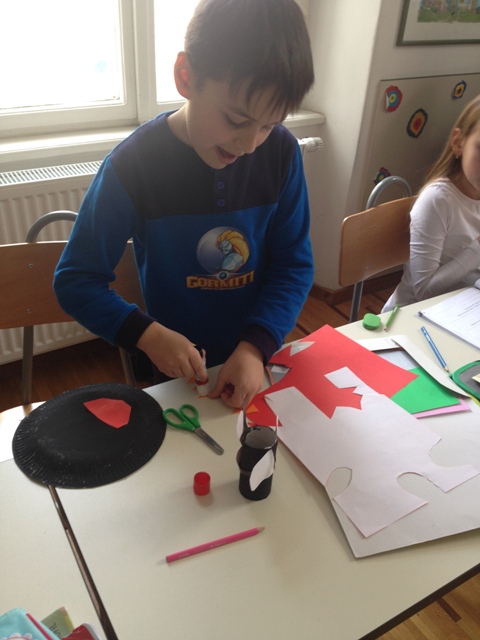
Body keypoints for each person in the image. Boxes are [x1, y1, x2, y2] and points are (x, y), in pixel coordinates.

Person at [54, 0, 315, 409]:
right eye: (236, 120)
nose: (250, 145)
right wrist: (147, 335)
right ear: (186, 77)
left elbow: (293, 266)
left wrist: (254, 347)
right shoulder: (133, 164)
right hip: (179, 376)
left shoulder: (281, 152)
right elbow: (75, 281)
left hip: (259, 357)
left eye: (269, 124)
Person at [383, 94, 480, 313]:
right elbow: (424, 291)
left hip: (463, 311)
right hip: (411, 317)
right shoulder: (437, 200)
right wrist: (477, 249)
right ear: (459, 142)